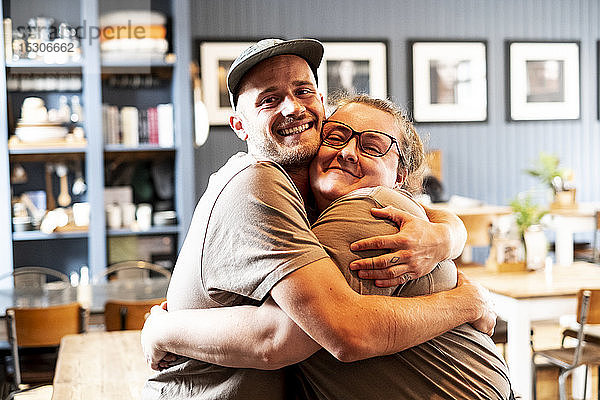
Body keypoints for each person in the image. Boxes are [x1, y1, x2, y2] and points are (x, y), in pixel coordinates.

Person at [142, 38, 497, 400]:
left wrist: (450, 234)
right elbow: (311, 333)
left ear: (321, 106)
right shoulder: (260, 182)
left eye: (303, 91)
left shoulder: (347, 203)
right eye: (269, 99)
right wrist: (468, 303)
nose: (292, 108)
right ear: (239, 126)